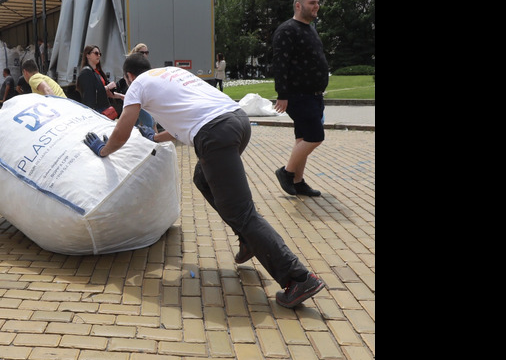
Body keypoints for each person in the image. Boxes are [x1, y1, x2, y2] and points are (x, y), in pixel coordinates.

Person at [81, 53, 326, 309]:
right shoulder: (171, 74)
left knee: (242, 212)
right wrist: (154, 139)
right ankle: (247, 240)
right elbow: (185, 122)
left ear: (128, 76)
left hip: (215, 134)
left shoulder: (138, 85)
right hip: (238, 122)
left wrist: (103, 149)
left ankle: (298, 277)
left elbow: (121, 132)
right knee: (202, 178)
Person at [271, 0, 328, 198]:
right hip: (298, 95)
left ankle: (298, 182)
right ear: (298, 5)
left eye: (318, 3)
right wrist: (282, 94)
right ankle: (286, 172)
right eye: (312, 3)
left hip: (313, 95)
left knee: (303, 138)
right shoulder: (287, 30)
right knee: (315, 137)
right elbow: (280, 64)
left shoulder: (310, 29)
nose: (316, 6)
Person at [76, 45, 122, 117]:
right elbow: (91, 93)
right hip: (96, 110)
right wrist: (107, 87)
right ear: (88, 55)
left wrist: (121, 96)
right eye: (96, 53)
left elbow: (105, 92)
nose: (99, 55)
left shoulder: (97, 72)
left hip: (104, 108)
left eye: (100, 54)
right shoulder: (86, 72)